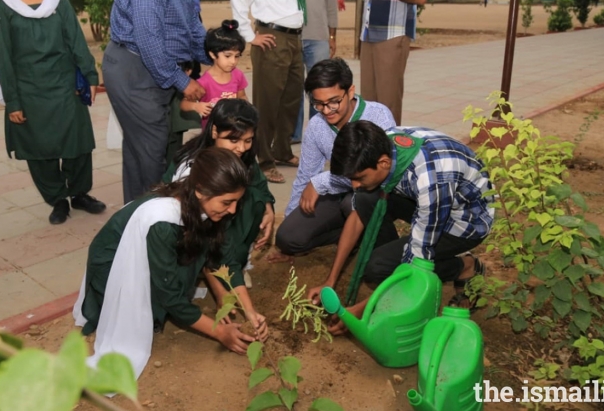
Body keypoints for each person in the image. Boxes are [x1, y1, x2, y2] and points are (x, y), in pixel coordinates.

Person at [73, 147, 269, 379]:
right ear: (200, 191)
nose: (233, 209)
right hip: (110, 264)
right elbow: (170, 296)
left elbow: (221, 258)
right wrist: (219, 333)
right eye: (227, 202)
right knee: (156, 301)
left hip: (153, 249)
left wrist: (249, 310)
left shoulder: (208, 205)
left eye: (237, 201)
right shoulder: (164, 222)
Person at [307, 121, 494, 334]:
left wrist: (360, 311)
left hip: (465, 222)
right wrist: (329, 281)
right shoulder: (381, 143)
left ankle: (465, 266)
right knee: (365, 197)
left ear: (384, 163)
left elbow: (416, 261)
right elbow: (358, 215)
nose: (354, 184)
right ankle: (392, 268)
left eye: (359, 177)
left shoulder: (430, 181)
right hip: (435, 201)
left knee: (377, 267)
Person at [0, 0, 105, 225]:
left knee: (78, 144)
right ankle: (58, 199)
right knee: (40, 150)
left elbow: (75, 41)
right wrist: (13, 101)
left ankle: (80, 193)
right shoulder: (4, 5)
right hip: (28, 90)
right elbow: (4, 57)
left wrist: (89, 76)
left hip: (64, 87)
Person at [103, 0, 211, 204]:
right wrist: (183, 82)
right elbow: (149, 40)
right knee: (152, 152)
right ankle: (152, 223)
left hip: (154, 68)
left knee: (139, 151)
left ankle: (133, 218)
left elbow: (191, 26)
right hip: (134, 69)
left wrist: (213, 54)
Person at [269, 58, 395, 263]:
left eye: (334, 101)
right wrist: (290, 217)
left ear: (350, 91)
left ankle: (368, 239)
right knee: (288, 238)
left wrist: (322, 182)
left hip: (372, 192)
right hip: (338, 193)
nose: (327, 110)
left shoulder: (378, 116)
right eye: (318, 103)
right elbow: (304, 177)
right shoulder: (317, 126)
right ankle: (349, 236)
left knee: (354, 202)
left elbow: (382, 174)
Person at [164, 99, 275, 291]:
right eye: (233, 140)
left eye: (247, 140)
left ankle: (233, 263)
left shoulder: (242, 157)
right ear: (214, 131)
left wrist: (268, 208)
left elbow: (259, 184)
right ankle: (211, 266)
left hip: (218, 226)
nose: (241, 148)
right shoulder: (194, 165)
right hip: (191, 229)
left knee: (255, 198)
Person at [231, 0, 306, 184]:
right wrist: (249, 35)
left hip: (293, 38)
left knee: (290, 99)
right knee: (268, 103)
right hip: (273, 38)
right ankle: (263, 161)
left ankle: (282, 150)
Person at [357, 0, 427, 125]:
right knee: (369, 102)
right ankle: (372, 150)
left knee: (388, 102)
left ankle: (391, 149)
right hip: (369, 35)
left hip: (392, 37)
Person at [291, 0, 339, 144]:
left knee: (319, 87)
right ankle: (293, 135)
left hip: (318, 36)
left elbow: (331, 3)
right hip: (290, 36)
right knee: (292, 89)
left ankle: (317, 134)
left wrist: (332, 35)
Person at [180, 20, 248, 129]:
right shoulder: (204, 82)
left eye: (237, 56)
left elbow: (242, 96)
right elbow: (183, 104)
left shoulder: (238, 75)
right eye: (227, 56)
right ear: (212, 54)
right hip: (211, 135)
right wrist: (196, 106)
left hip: (233, 130)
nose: (233, 61)